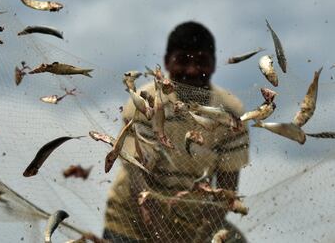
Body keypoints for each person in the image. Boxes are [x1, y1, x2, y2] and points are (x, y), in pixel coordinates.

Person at [103, 21, 249, 243]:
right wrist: (165, 240)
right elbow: (140, 187)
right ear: (166, 63)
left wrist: (198, 237)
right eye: (182, 61)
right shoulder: (145, 104)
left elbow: (226, 191)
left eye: (201, 62)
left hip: (190, 226)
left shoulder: (231, 113)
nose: (191, 71)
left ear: (214, 65)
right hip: (130, 225)